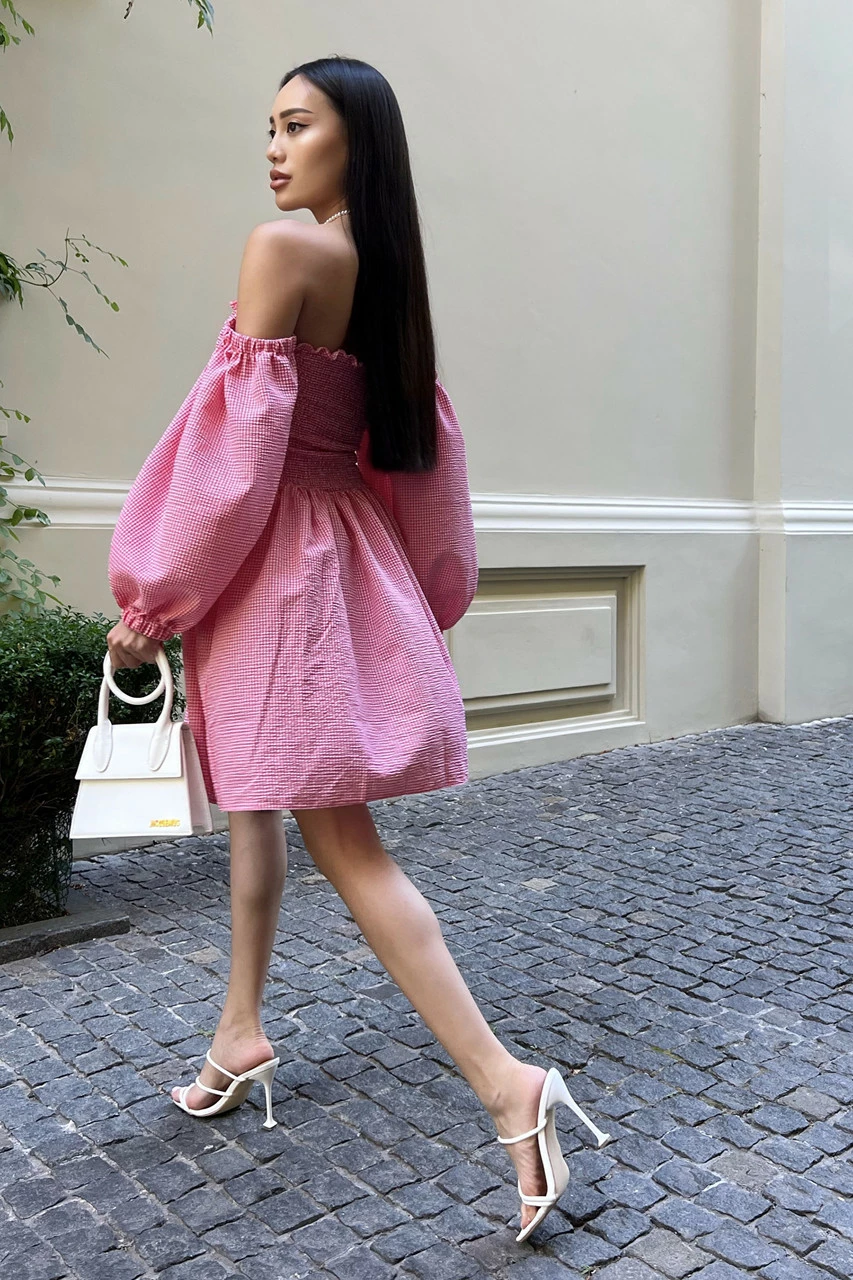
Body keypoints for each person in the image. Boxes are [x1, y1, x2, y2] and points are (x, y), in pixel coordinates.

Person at [105, 56, 612, 1243]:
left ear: (355, 141)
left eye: (296, 126)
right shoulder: (389, 282)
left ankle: (507, 1081)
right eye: (269, 128)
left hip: (272, 569)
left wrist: (156, 597)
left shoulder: (283, 251)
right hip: (339, 556)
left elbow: (234, 457)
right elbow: (420, 471)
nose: (273, 148)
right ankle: (239, 1029)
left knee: (344, 843)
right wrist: (421, 597)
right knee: (255, 802)